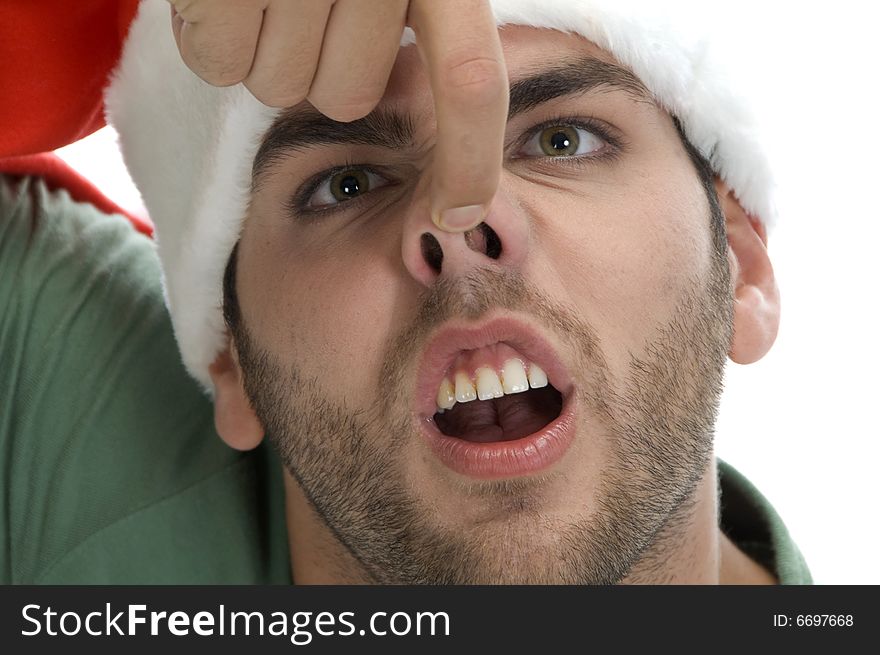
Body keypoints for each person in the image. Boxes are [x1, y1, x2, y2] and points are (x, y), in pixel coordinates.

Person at [0, 0, 811, 584]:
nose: (462, 222)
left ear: (742, 262)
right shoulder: (53, 407)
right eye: (346, 184)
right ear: (228, 358)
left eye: (562, 140)